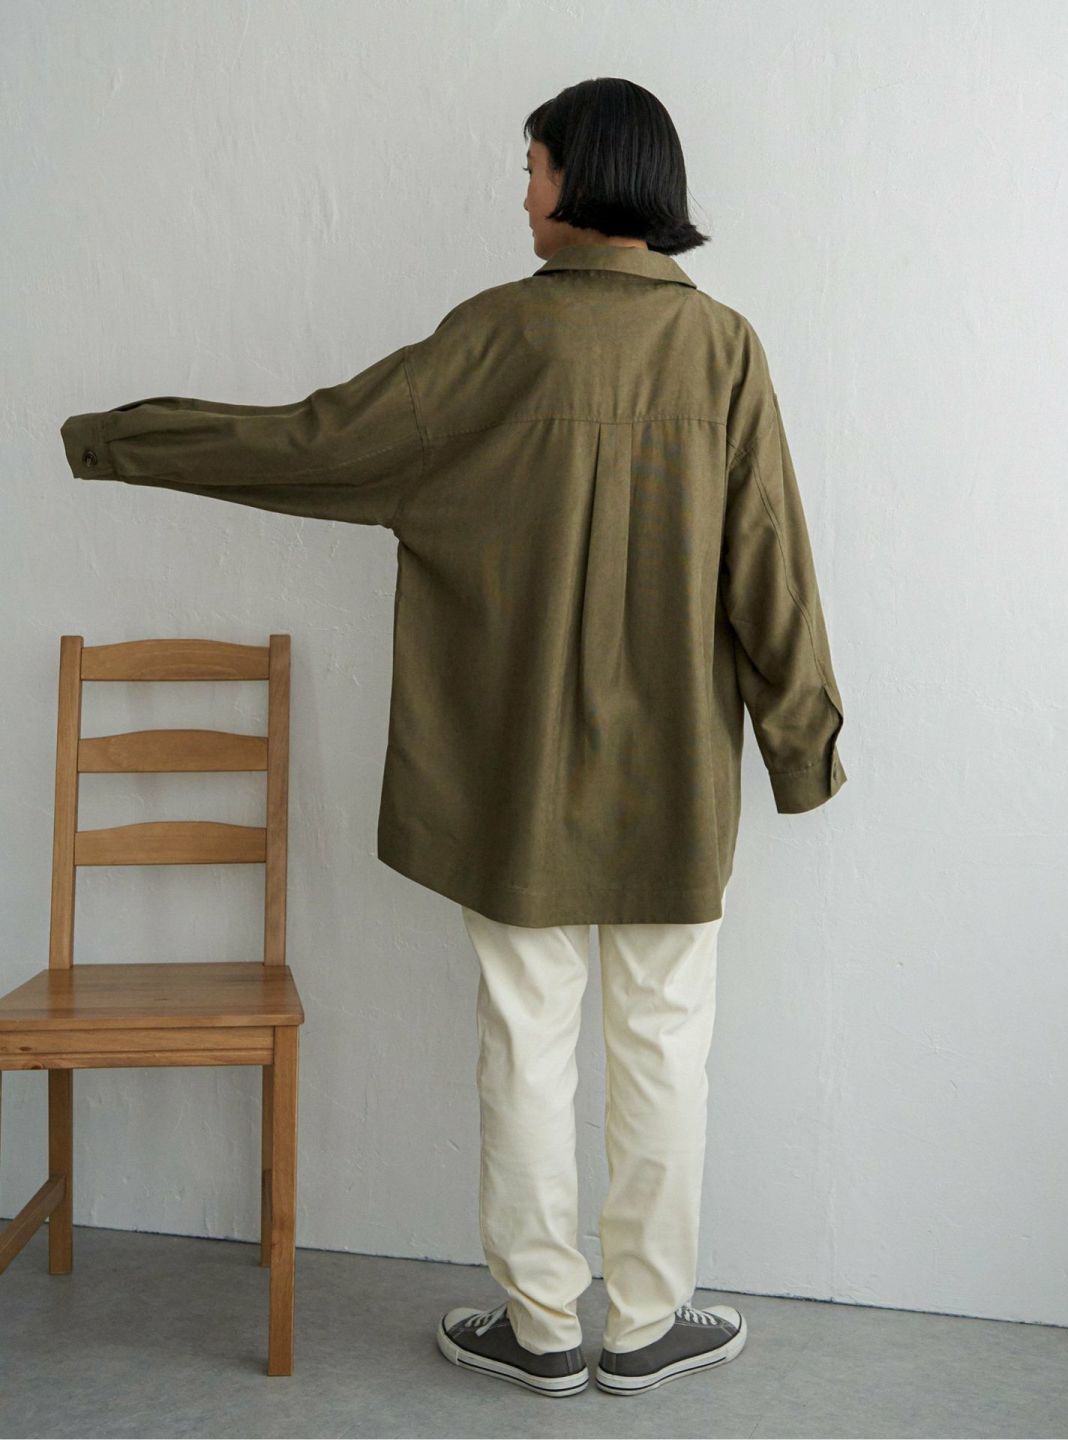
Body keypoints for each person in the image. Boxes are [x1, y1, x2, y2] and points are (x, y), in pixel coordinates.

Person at [60, 77, 848, 1399]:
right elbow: (771, 565)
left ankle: (541, 1329)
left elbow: (317, 444)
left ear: (586, 178)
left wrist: (119, 440)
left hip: (512, 776)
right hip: (673, 780)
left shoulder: (494, 339)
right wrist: (801, 744)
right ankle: (645, 1325)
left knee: (526, 1039)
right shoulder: (722, 349)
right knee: (665, 1046)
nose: (523, 192)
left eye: (533, 166)